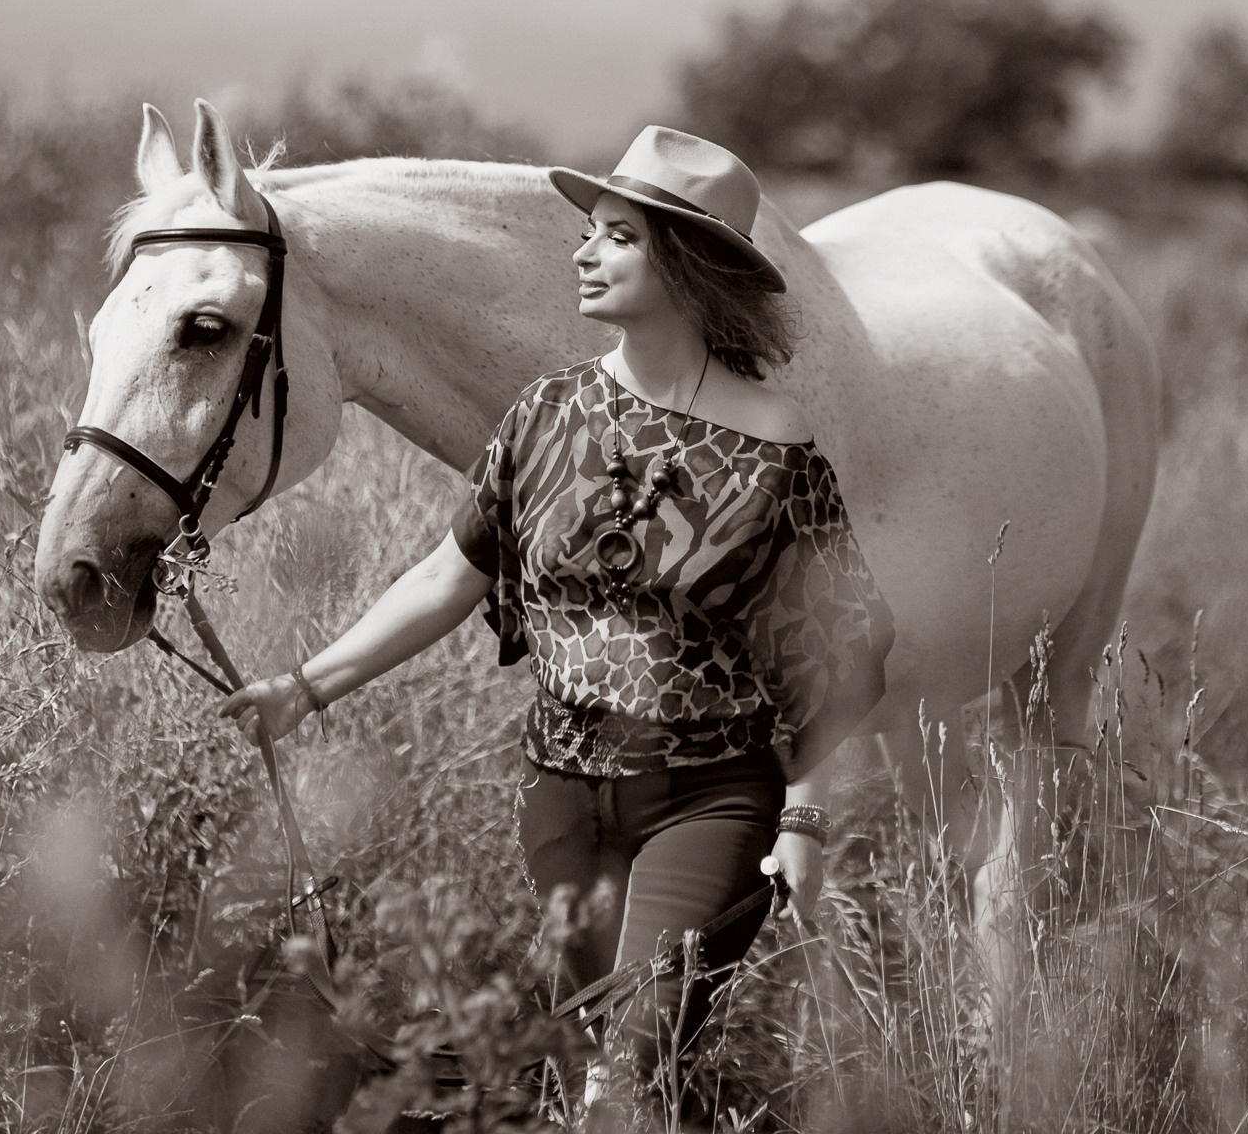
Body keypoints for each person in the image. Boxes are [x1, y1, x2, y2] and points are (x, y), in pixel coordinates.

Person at [219, 125, 893, 1108]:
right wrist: (306, 686)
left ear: (689, 262)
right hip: (563, 800)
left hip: (711, 799)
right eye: (591, 231)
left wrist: (805, 817)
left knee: (626, 1072)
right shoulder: (545, 415)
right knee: (589, 1072)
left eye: (618, 237)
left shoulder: (778, 450)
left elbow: (846, 654)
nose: (582, 252)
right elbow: (447, 578)